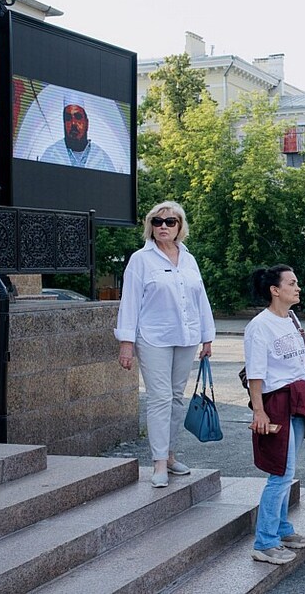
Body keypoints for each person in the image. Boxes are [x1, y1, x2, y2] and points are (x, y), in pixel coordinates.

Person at [115, 201, 214, 488]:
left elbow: (200, 299)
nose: (163, 227)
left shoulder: (189, 258)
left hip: (185, 336)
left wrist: (207, 336)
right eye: (157, 221)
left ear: (180, 226)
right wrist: (126, 342)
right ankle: (158, 463)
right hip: (153, 337)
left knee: (175, 398)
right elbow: (130, 302)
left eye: (170, 222)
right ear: (150, 225)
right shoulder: (141, 259)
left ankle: (170, 455)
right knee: (159, 398)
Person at [244, 265, 305, 565]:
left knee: (287, 471)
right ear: (275, 290)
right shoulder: (260, 326)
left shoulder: (290, 318)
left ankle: (282, 529)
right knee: (280, 473)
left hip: (298, 400)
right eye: (291, 283)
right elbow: (255, 374)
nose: (298, 287)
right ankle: (264, 542)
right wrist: (259, 411)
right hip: (276, 402)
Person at [40, 93, 116, 172]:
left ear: (86, 123)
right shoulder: (51, 153)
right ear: (64, 123)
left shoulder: (101, 157)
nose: (73, 123)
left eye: (78, 117)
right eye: (68, 118)